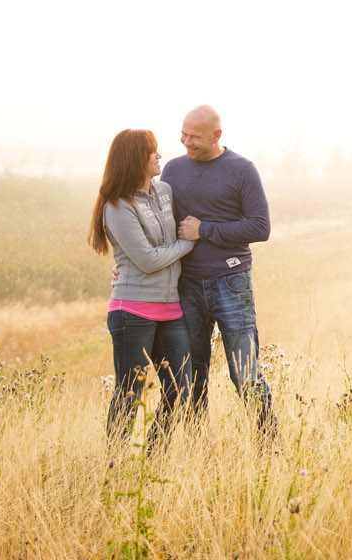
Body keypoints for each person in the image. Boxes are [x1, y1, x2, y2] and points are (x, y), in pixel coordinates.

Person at [162, 104, 276, 435]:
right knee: (191, 374)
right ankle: (199, 448)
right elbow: (159, 225)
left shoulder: (242, 169)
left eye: (195, 137)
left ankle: (268, 445)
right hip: (187, 286)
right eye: (183, 134)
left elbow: (260, 227)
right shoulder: (172, 170)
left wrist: (205, 230)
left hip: (231, 281)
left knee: (244, 374)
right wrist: (126, 267)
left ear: (217, 135)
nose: (186, 142)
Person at [88, 128, 194, 446]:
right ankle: (115, 468)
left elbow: (163, 246)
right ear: (137, 158)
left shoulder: (164, 191)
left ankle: (154, 459)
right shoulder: (117, 206)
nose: (159, 155)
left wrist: (181, 243)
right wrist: (188, 244)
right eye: (153, 150)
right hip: (132, 310)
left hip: (171, 308)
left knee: (181, 389)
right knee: (131, 391)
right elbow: (147, 260)